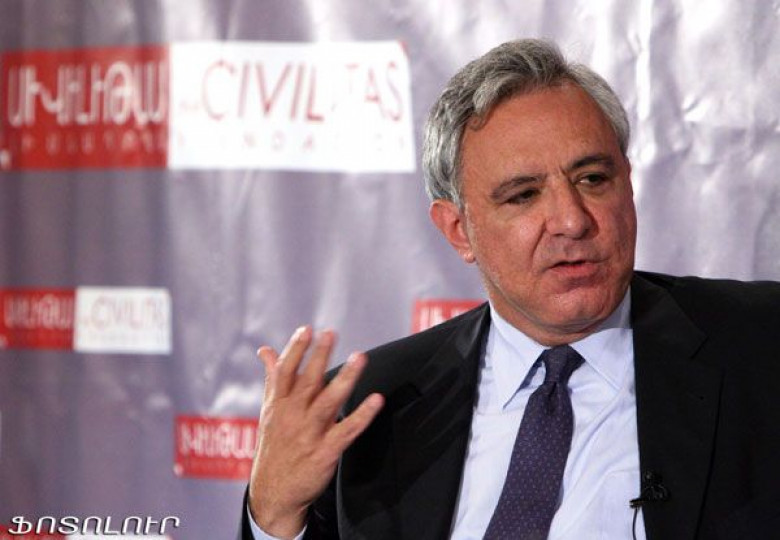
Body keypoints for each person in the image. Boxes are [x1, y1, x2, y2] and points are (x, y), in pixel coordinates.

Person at [240, 39, 780, 540]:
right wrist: (273, 515)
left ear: (628, 183)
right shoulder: (367, 414)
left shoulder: (762, 347)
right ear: (459, 230)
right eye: (523, 195)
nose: (572, 220)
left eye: (593, 179)